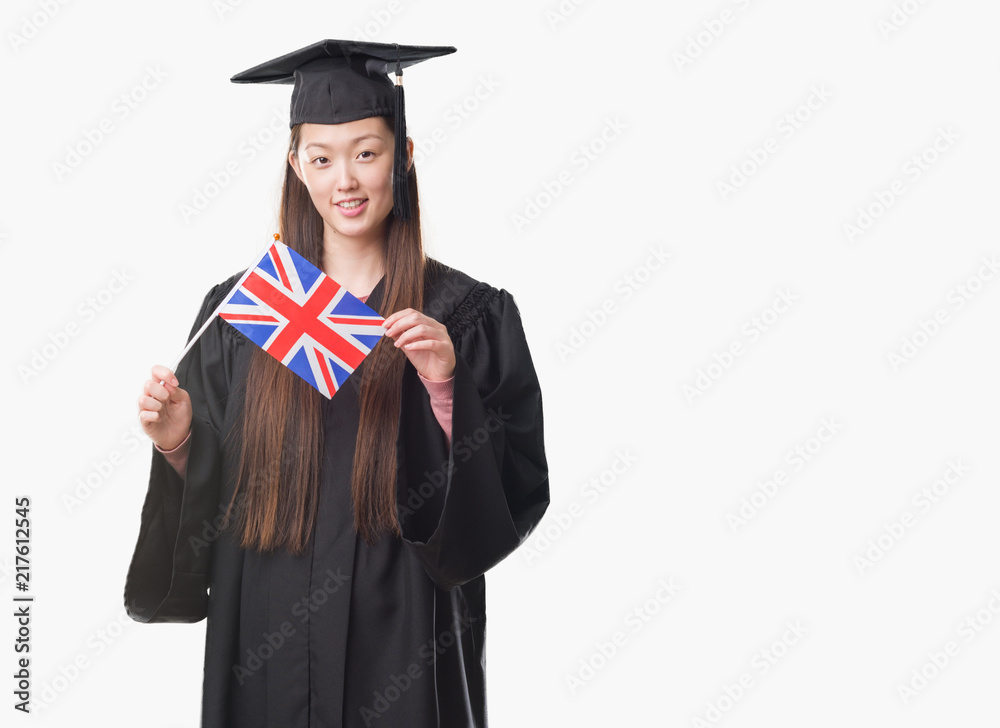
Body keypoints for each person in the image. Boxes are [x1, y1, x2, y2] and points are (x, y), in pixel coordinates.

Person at [123, 39, 549, 728]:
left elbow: (510, 496)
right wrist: (178, 445)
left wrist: (445, 387)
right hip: (265, 640)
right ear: (297, 167)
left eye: (367, 153)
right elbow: (209, 506)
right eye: (321, 158)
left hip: (406, 638)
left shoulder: (467, 316)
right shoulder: (247, 312)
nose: (343, 180)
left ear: (402, 158)